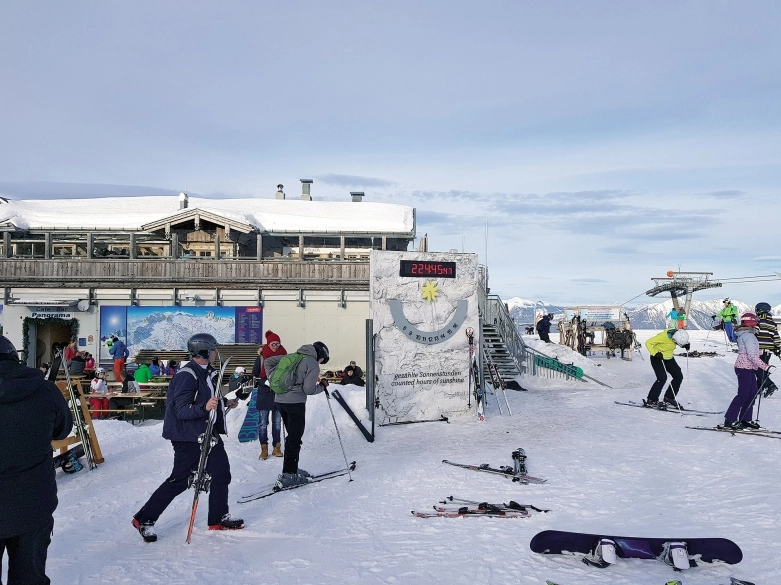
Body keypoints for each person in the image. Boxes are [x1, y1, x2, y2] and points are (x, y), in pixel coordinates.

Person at [132, 333, 243, 542]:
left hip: (207, 433)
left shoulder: (206, 372)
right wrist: (204, 407)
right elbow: (181, 410)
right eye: (213, 349)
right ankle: (144, 519)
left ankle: (218, 517)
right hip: (188, 437)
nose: (215, 353)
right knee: (180, 480)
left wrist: (222, 403)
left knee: (221, 472)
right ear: (203, 351)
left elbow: (206, 398)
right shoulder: (186, 375)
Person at [0, 335, 73, 584]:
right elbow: (62, 430)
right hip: (33, 501)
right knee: (29, 576)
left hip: (31, 500)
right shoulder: (44, 389)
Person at [266, 341, 329, 487]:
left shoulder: (293, 356)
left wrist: (271, 378)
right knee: (294, 438)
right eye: (322, 360)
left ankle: (292, 468)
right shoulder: (312, 363)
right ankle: (289, 475)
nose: (320, 363)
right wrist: (323, 386)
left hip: (280, 401)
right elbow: (309, 389)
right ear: (320, 354)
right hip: (295, 404)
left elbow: (268, 361)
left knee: (292, 437)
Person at [724, 312, 770, 430]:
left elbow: (750, 351)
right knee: (743, 394)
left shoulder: (748, 334)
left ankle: (745, 419)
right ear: (751, 322)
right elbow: (751, 356)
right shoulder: (748, 336)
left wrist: (761, 352)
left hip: (749, 368)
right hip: (743, 368)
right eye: (755, 320)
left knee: (752, 394)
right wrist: (766, 367)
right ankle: (730, 419)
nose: (757, 322)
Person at [251, 331, 286, 460]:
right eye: (273, 344)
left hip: (278, 394)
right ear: (268, 344)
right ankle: (264, 449)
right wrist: (264, 381)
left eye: (278, 344)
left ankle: (277, 448)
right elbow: (254, 376)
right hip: (264, 394)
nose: (276, 346)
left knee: (277, 423)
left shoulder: (284, 357)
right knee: (262, 423)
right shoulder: (261, 358)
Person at [644, 329, 690, 408]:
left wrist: (684, 345)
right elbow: (647, 342)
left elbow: (680, 340)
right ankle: (651, 400)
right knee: (662, 378)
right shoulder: (663, 337)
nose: (675, 344)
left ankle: (669, 398)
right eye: (676, 342)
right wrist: (655, 353)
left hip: (668, 357)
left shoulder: (678, 335)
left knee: (678, 376)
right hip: (657, 357)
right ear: (673, 338)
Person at [755, 302, 780, 398]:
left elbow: (755, 333)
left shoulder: (759, 321)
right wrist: (778, 347)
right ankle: (758, 388)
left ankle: (770, 385)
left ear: (760, 310)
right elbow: (776, 337)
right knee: (763, 368)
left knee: (758, 369)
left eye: (757, 310)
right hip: (768, 351)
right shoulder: (773, 323)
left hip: (759, 349)